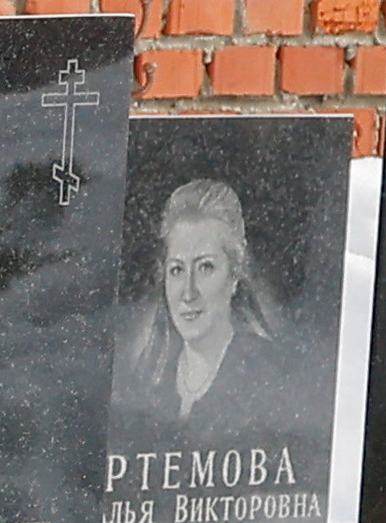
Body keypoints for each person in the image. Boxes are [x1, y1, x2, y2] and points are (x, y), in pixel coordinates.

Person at [109, 174, 278, 437]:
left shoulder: (266, 379)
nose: (188, 292)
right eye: (177, 269)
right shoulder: (152, 379)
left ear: (234, 275)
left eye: (205, 267)